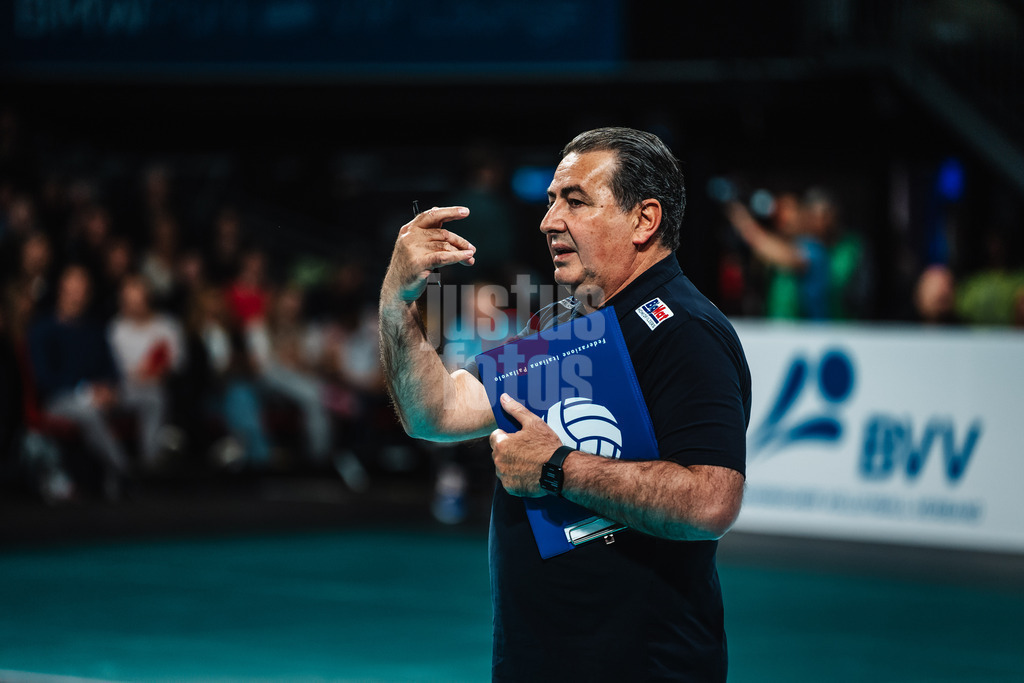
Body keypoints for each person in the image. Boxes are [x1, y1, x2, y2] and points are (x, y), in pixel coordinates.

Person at [379, 127, 750, 681]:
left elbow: (710, 502)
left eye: (575, 201)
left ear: (644, 220)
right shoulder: (569, 323)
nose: (550, 220)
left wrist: (557, 468)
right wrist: (398, 297)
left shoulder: (684, 330)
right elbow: (436, 411)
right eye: (552, 201)